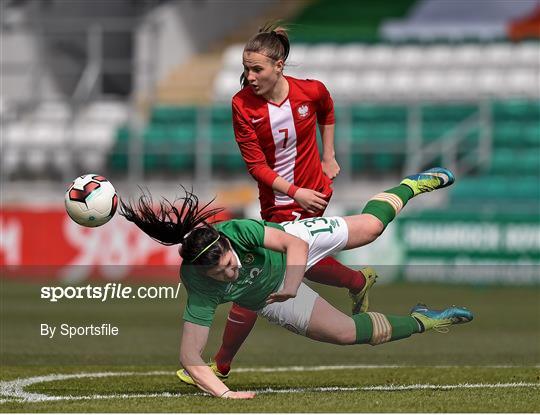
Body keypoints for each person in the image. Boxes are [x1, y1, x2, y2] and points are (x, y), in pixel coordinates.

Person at [120, 167, 473, 400]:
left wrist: (291, 282)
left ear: (227, 244)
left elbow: (296, 246)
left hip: (293, 241)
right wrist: (224, 396)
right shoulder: (199, 284)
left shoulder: (239, 231)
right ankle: (426, 319)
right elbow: (188, 356)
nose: (229, 274)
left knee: (370, 229)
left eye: (229, 265)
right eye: (221, 275)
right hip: (271, 296)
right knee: (347, 334)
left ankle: (410, 186)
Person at [199, 23, 377, 381]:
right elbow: (256, 166)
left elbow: (327, 109)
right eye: (246, 69)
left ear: (279, 65)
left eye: (257, 69)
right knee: (299, 260)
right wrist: (293, 191)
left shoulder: (309, 91)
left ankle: (220, 366)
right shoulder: (242, 106)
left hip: (310, 194)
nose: (249, 77)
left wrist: (329, 156)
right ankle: (357, 280)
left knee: (256, 273)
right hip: (279, 199)